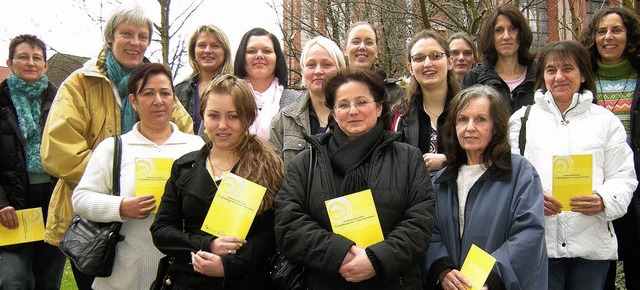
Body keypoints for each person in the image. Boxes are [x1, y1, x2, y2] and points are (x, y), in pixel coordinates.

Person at [39, 6, 193, 290]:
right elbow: (58, 151)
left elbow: (184, 134)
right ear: (110, 37)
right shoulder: (79, 84)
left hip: (151, 220)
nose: (136, 43)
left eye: (143, 36)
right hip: (93, 224)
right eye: (127, 34)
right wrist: (119, 185)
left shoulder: (157, 84)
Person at [274, 68, 435, 289]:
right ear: (333, 112)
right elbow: (288, 224)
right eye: (343, 104)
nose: (353, 111)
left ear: (378, 108)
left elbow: (420, 224)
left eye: (362, 102)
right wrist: (337, 253)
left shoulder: (408, 159)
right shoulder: (305, 163)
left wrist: (377, 259)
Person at [509, 40, 637, 290]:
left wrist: (604, 199)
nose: (559, 77)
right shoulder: (522, 121)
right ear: (542, 76)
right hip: (539, 244)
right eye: (550, 70)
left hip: (591, 246)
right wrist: (532, 199)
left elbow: (624, 176)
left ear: (582, 75)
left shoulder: (606, 121)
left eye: (567, 68)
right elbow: (507, 177)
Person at [71, 63, 204, 290]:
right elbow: (81, 199)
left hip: (180, 272)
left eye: (165, 93)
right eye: (148, 93)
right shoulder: (113, 148)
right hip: (123, 273)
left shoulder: (195, 146)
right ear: (133, 101)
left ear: (174, 99)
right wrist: (120, 206)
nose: (158, 101)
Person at [151, 74, 284, 289]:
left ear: (249, 118)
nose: (222, 125)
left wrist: (228, 265)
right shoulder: (184, 167)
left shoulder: (269, 168)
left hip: (244, 280)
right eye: (214, 115)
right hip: (187, 280)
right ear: (202, 115)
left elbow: (271, 234)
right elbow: (162, 231)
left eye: (232, 116)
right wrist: (208, 245)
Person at [425, 85, 547, 290]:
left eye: (480, 119)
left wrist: (488, 278)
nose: (469, 127)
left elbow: (528, 233)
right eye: (462, 119)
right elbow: (429, 233)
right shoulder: (440, 181)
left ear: (496, 126)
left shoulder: (519, 172)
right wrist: (443, 270)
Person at [580, 7, 640, 289]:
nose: (608, 37)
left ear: (629, 37)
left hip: (636, 189)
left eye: (616, 30)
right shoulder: (582, 79)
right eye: (601, 31)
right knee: (599, 272)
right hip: (592, 189)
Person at [0, 34, 66, 290]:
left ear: (46, 65)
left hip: (52, 205)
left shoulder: (62, 102)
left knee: (48, 282)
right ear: (10, 61)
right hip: (12, 210)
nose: (31, 63)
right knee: (13, 281)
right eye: (23, 57)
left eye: (37, 58)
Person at [269, 36, 347, 168]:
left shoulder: (355, 114)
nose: (318, 71)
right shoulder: (283, 120)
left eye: (326, 65)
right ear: (303, 71)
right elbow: (274, 176)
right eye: (311, 65)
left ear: (340, 70)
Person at [391, 30, 462, 173]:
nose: (427, 63)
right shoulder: (401, 115)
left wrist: (448, 161)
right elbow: (394, 165)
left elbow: (485, 155)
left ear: (450, 62)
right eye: (419, 58)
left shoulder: (468, 108)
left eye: (435, 56)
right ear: (410, 68)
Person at [462, 3, 537, 113]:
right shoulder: (474, 79)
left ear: (521, 33)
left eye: (512, 29)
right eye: (499, 30)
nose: (506, 36)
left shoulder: (540, 74)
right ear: (491, 36)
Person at [233, 27, 301, 139]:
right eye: (251, 51)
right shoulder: (225, 97)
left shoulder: (297, 102)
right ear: (241, 57)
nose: (259, 55)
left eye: (267, 51)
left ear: (277, 58)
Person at [175, 24, 233, 133]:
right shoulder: (179, 91)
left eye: (215, 46)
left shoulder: (236, 88)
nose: (207, 50)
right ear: (193, 52)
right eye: (202, 45)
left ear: (225, 52)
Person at [343, 21, 404, 105]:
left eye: (369, 42)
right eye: (355, 42)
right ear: (345, 49)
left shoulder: (394, 93)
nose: (362, 47)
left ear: (377, 50)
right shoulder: (334, 90)